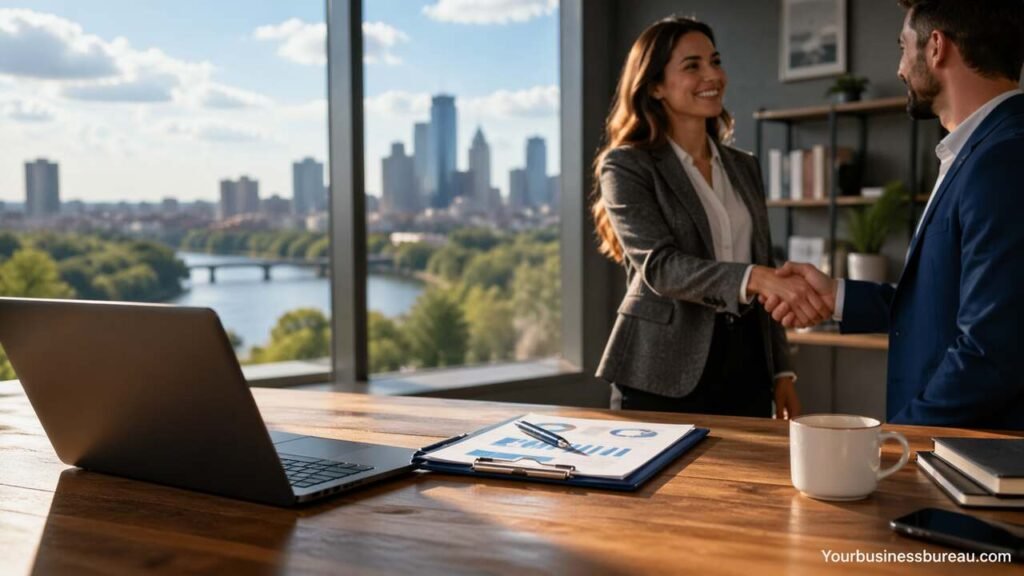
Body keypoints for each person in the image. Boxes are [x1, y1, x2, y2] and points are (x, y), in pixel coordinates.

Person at [764, 0, 1024, 429]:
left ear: (936, 47)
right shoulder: (975, 152)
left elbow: (992, 349)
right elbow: (945, 305)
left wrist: (899, 437)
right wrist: (837, 298)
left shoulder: (1004, 158)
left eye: (903, 47)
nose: (901, 68)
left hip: (975, 462)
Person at [593, 16, 831, 418]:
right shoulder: (626, 166)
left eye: (715, 61)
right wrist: (753, 277)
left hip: (746, 365)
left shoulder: (744, 167)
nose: (713, 75)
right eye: (693, 66)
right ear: (654, 86)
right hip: (661, 367)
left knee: (747, 480)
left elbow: (765, 265)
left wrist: (782, 372)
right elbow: (661, 267)